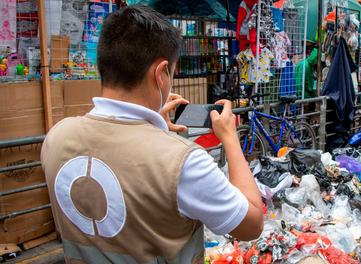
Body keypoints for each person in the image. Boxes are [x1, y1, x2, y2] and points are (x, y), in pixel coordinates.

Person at [41, 5, 263, 264]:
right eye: (172, 75)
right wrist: (230, 138)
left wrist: (155, 131)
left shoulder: (55, 137)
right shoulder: (184, 162)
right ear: (160, 74)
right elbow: (252, 224)